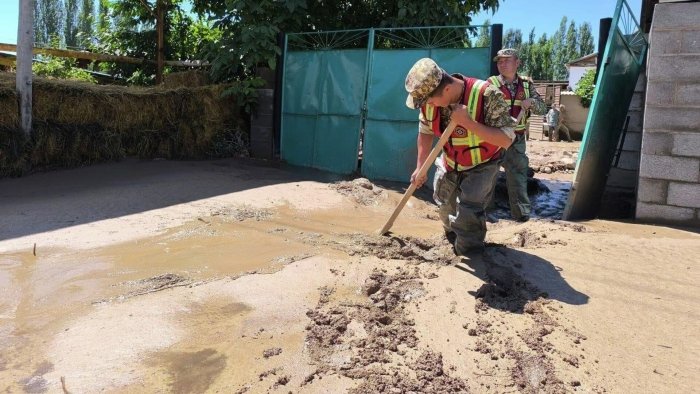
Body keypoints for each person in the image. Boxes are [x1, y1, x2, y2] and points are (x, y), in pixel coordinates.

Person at [405, 58, 516, 255]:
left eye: (430, 100)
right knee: (444, 205)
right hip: (450, 161)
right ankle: (452, 237)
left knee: (469, 212)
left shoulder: (487, 94)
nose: (429, 104)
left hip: (482, 164)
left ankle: (470, 254)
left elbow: (506, 140)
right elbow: (425, 131)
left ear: (446, 89)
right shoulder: (429, 99)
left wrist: (468, 122)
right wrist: (420, 166)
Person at [488, 48, 546, 223]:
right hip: (494, 137)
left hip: (517, 139)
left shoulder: (527, 85)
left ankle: (521, 216)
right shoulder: (491, 83)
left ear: (517, 63)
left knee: (518, 177)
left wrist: (532, 103)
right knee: (487, 174)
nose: (502, 64)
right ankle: (484, 212)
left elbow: (543, 108)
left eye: (506, 60)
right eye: (499, 61)